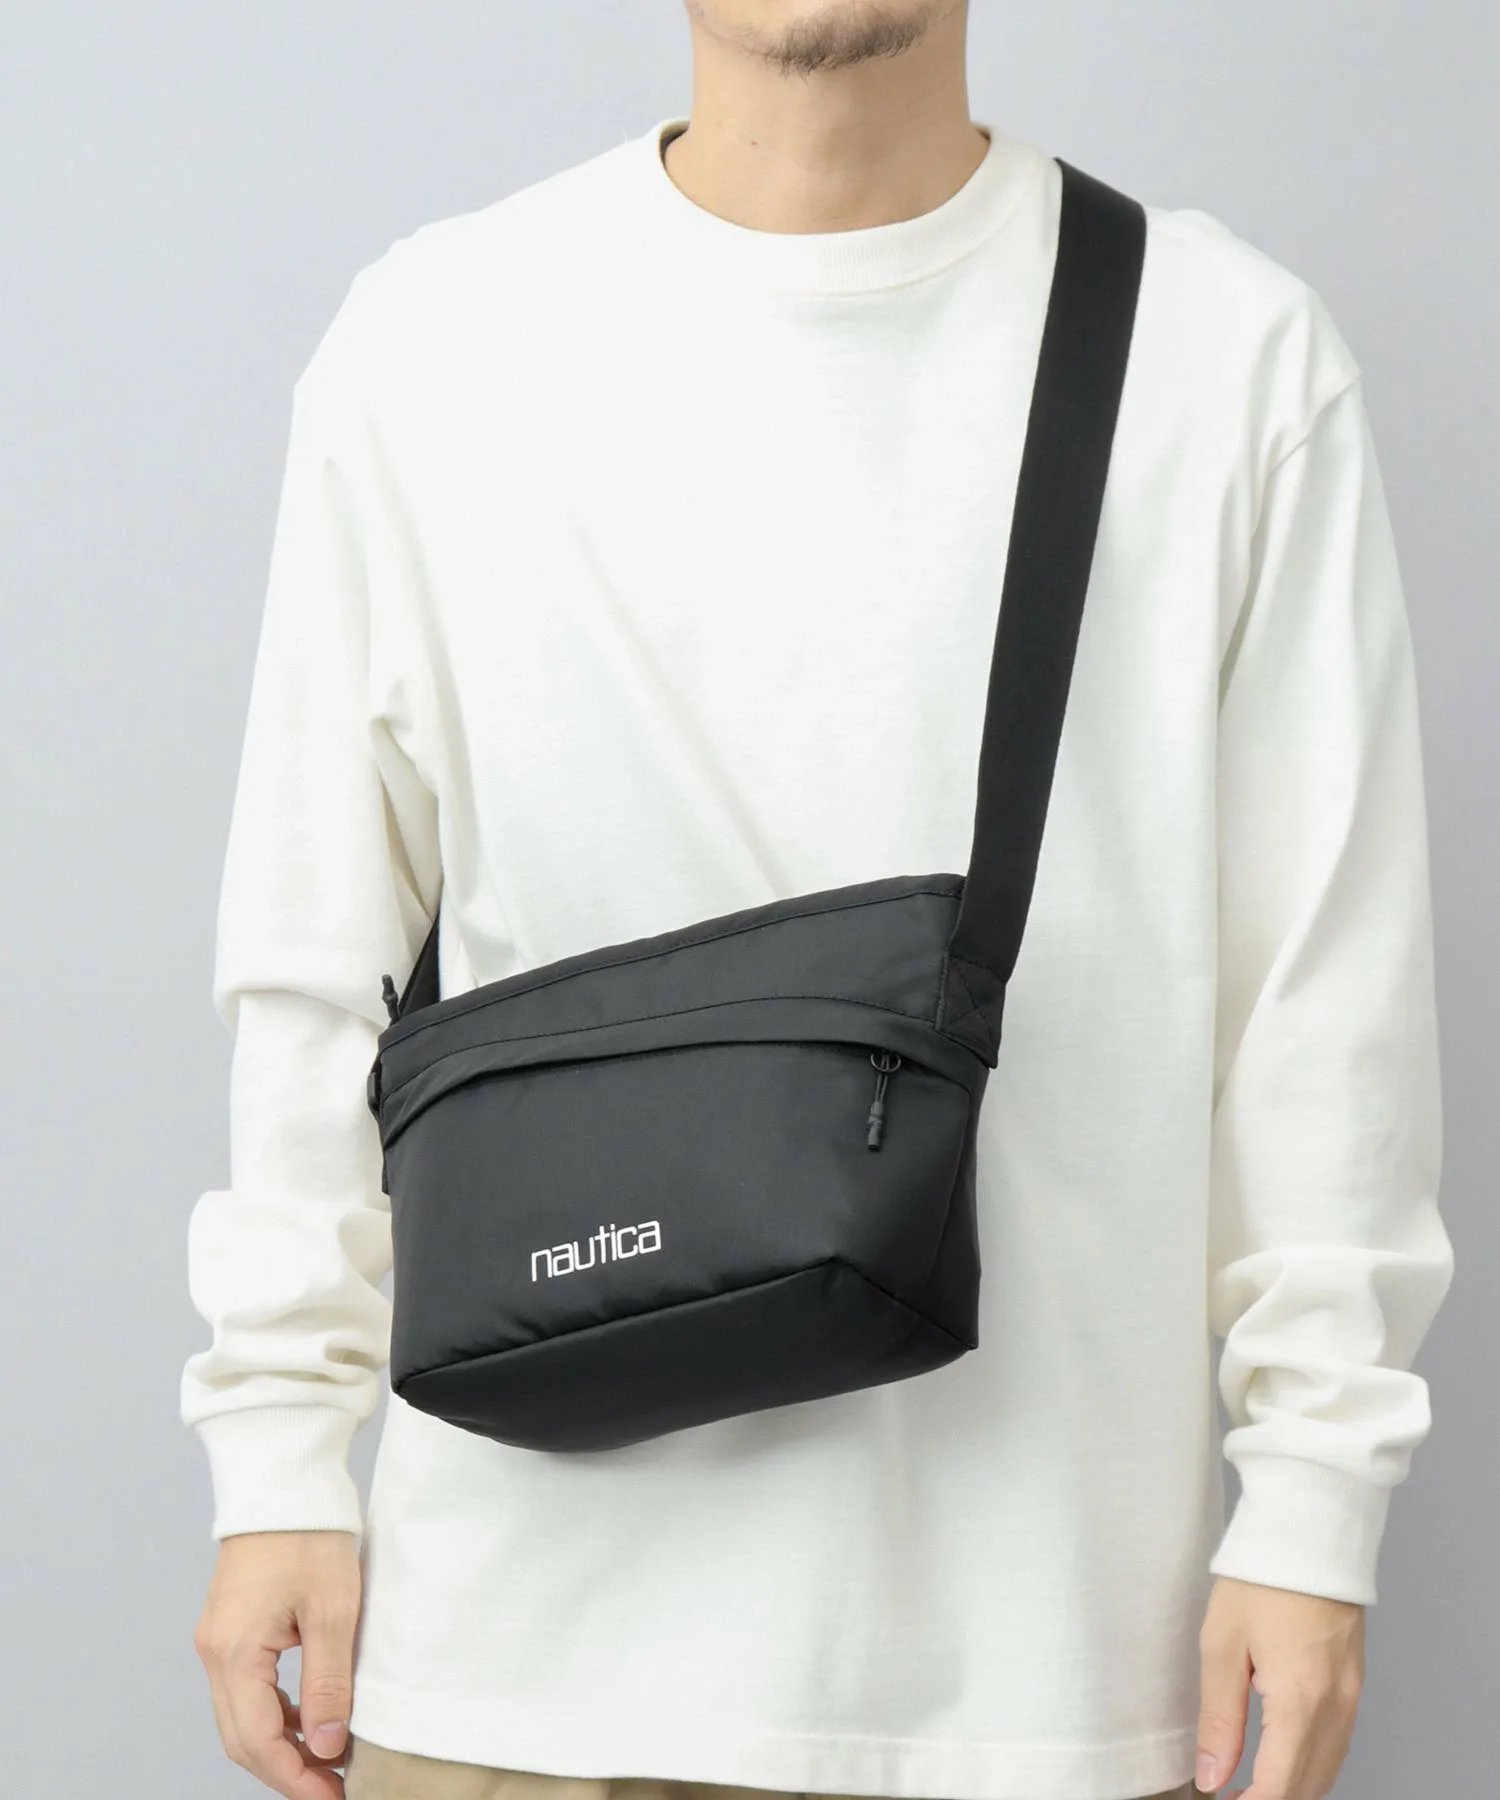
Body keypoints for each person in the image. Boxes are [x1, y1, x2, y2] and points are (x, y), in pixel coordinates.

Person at [181, 4, 1454, 1799]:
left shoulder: (1223, 354)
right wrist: (277, 1458)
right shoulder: (434, 341)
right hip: (511, 1671)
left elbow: (1325, 998)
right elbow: (318, 958)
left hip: (1045, 1679)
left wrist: (1317, 1506)